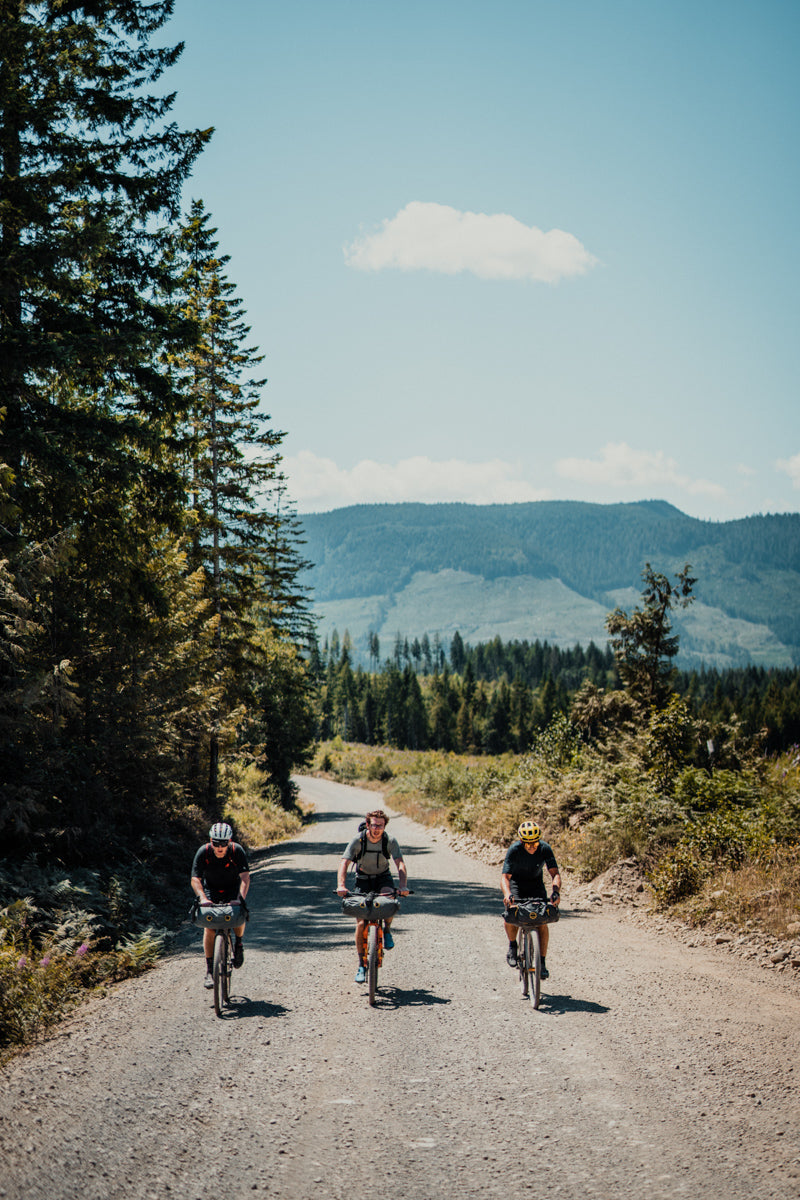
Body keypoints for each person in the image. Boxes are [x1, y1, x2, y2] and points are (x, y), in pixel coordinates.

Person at [336, 809, 409, 983]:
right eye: (374, 825)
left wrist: (403, 885)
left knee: (388, 901)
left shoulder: (389, 841)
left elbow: (400, 863)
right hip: (362, 880)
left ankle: (387, 929)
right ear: (367, 824)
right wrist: (341, 885)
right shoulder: (358, 840)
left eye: (380, 825)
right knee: (361, 922)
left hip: (383, 878)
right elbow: (344, 863)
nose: (376, 829)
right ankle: (361, 964)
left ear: (385, 826)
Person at [191, 822, 251, 989]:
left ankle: (238, 944)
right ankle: (210, 971)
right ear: (211, 841)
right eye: (216, 843)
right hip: (211, 891)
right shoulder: (203, 852)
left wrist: (239, 898)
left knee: (239, 915)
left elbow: (245, 878)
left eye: (223, 843)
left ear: (229, 842)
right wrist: (202, 897)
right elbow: (195, 879)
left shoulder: (236, 850)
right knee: (209, 927)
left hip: (233, 889)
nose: (219, 847)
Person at [501, 820, 561, 980]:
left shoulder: (544, 848)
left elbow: (555, 874)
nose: (532, 846)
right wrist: (507, 894)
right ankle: (513, 945)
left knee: (542, 922)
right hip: (517, 886)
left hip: (536, 886)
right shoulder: (514, 850)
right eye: (528, 843)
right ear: (522, 841)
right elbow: (505, 877)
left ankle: (542, 962)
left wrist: (556, 892)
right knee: (511, 915)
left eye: (534, 842)